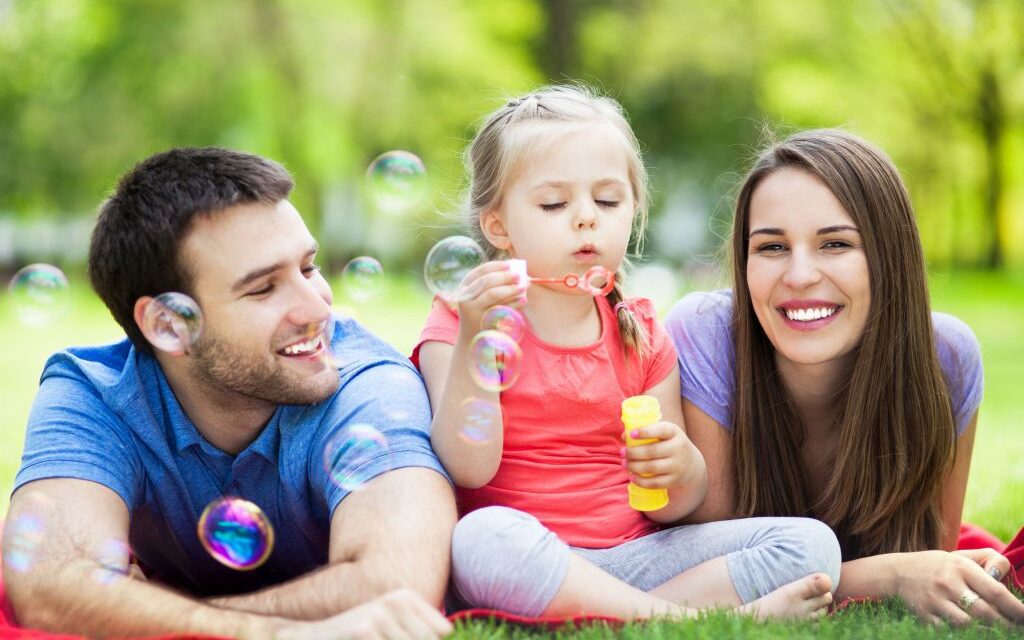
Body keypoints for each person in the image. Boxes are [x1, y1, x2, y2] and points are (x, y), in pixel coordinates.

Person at [412, 85, 840, 621]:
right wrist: (478, 336)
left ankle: (623, 610)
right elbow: (467, 467)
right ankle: (684, 618)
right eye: (554, 203)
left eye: (608, 200)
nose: (587, 217)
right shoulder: (462, 318)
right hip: (529, 554)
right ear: (497, 225)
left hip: (636, 557)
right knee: (479, 537)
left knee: (812, 544)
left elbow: (672, 507)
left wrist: (683, 469)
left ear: (633, 211)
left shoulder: (639, 330)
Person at [2, 148, 456, 639]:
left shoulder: (366, 380)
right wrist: (275, 633)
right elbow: (47, 586)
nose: (317, 308)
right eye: (263, 289)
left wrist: (147, 606)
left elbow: (397, 584)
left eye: (308, 268)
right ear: (170, 325)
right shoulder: (93, 393)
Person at [665, 128, 1024, 627]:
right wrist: (892, 575)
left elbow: (933, 561)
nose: (799, 275)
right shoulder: (706, 334)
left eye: (835, 243)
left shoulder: (946, 357)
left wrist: (911, 570)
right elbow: (712, 571)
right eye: (771, 247)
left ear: (889, 257)